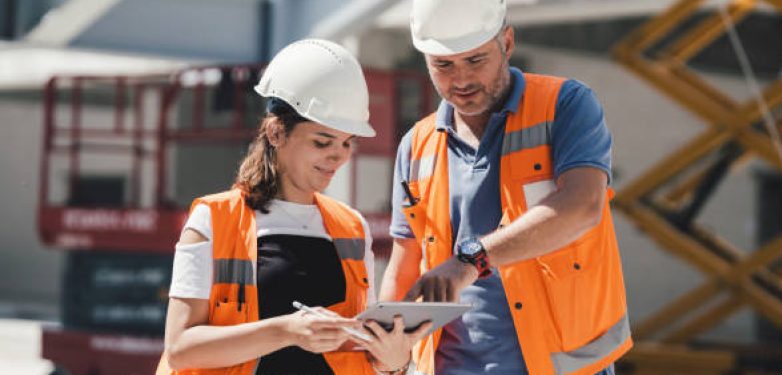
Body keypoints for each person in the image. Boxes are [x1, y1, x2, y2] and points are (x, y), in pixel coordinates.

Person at [378, 1, 632, 374]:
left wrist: (470, 261)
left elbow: (583, 206)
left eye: (476, 60)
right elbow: (403, 267)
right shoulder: (415, 146)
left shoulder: (566, 106)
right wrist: (389, 353)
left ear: (507, 43)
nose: (461, 79)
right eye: (443, 65)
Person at [155, 39, 430, 375]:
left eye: (347, 143)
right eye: (322, 141)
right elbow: (181, 349)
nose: (338, 156)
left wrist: (395, 360)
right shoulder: (212, 220)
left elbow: (368, 360)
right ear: (275, 133)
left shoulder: (352, 227)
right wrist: (286, 331)